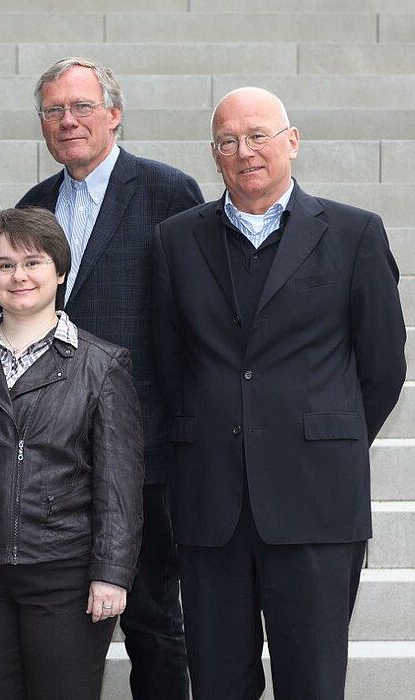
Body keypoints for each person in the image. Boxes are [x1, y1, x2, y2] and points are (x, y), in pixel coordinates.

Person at [152, 86, 406, 699]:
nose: (245, 152)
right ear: (214, 155)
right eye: (228, 142)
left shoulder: (354, 234)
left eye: (258, 135)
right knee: (216, 683)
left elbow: (383, 368)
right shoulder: (175, 240)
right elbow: (168, 367)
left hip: (316, 499)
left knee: (313, 684)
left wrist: (324, 437)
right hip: (212, 502)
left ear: (291, 141)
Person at [16, 57, 203, 698]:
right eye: (53, 111)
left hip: (143, 452)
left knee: (154, 618)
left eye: (81, 107)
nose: (67, 121)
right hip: (52, 453)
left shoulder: (168, 193)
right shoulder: (34, 206)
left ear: (113, 114)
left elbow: (192, 326)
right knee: (61, 621)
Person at [0, 207, 144, 700]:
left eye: (33, 262)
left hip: (67, 577)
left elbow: (119, 487)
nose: (19, 276)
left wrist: (112, 572)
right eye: (4, 264)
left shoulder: (102, 366)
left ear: (59, 272)